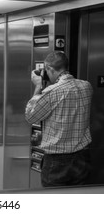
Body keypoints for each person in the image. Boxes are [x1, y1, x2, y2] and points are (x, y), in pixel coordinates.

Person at [25, 51, 93, 187]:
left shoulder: (51, 92)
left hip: (57, 161)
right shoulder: (87, 86)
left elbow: (30, 117)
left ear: (49, 69)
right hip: (82, 158)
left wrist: (38, 86)